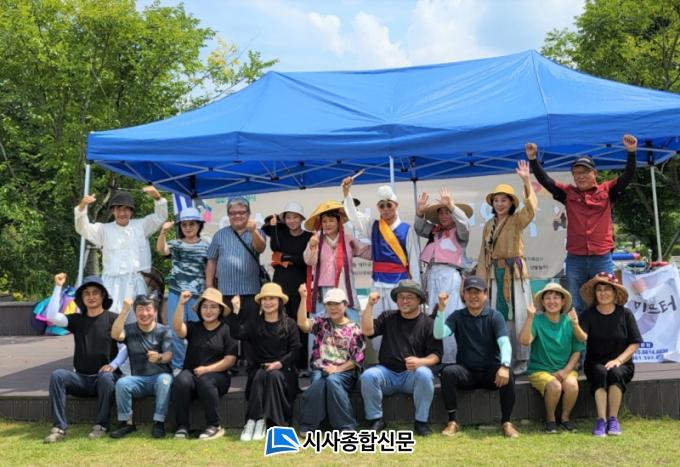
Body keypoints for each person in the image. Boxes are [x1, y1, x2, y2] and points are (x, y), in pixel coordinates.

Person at [525, 135, 638, 313]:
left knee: (606, 301)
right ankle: (580, 332)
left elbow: (627, 177)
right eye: (577, 173)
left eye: (585, 172)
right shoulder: (568, 193)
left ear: (595, 174)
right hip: (575, 258)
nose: (581, 176)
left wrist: (631, 153)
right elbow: (546, 181)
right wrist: (533, 159)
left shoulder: (607, 190)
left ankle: (605, 331)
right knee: (575, 304)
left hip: (601, 257)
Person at [43, 273, 128, 443]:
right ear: (81, 298)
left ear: (103, 296)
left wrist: (113, 365)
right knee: (58, 375)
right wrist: (58, 286)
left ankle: (101, 425)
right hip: (81, 379)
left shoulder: (113, 318)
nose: (91, 296)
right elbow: (51, 316)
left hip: (105, 379)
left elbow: (125, 347)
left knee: (106, 377)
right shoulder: (77, 319)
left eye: (95, 292)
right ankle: (59, 427)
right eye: (86, 293)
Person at [434, 276, 520, 438]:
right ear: (464, 295)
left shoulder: (495, 316)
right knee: (448, 372)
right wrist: (441, 310)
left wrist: (505, 366)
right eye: (469, 292)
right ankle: (452, 422)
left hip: (490, 373)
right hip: (466, 373)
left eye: (477, 292)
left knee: (509, 374)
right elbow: (439, 334)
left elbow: (504, 343)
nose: (473, 296)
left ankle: (507, 423)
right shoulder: (457, 316)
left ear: (485, 294)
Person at [342, 179, 421, 353]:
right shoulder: (373, 226)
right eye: (382, 206)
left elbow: (414, 261)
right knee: (377, 322)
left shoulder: (407, 230)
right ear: (378, 208)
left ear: (396, 206)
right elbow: (355, 218)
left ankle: (403, 356)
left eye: (389, 205)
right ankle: (382, 357)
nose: (385, 209)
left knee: (400, 322)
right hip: (377, 283)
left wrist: (416, 290)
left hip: (399, 284)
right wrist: (347, 193)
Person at [359, 280, 442, 437]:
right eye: (401, 297)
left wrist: (420, 362)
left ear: (419, 300)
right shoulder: (388, 317)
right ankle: (376, 419)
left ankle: (421, 422)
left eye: (409, 297)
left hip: (412, 376)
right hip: (387, 373)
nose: (404, 301)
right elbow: (367, 331)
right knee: (368, 376)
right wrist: (370, 305)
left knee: (425, 374)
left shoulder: (429, 323)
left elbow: (436, 355)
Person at [477, 160, 536, 375]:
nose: (500, 204)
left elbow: (531, 209)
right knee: (499, 316)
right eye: (496, 200)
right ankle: (505, 356)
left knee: (519, 315)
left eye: (504, 200)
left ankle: (523, 358)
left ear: (512, 203)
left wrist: (526, 181)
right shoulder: (488, 225)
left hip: (515, 274)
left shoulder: (517, 220)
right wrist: (480, 282)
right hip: (496, 274)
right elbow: (483, 254)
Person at [74, 186, 168, 319]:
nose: (122, 213)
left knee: (138, 319)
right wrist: (82, 206)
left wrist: (157, 198)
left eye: (125, 209)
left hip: (137, 282)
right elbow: (82, 228)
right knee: (111, 319)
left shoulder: (141, 226)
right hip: (111, 284)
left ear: (131, 211)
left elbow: (160, 217)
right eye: (118, 209)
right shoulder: (103, 229)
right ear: (113, 211)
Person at [225, 283, 301, 441]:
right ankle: (255, 421)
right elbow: (237, 333)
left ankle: (277, 424)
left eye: (272, 298)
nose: (268, 302)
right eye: (264, 299)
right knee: (260, 375)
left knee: (274, 376)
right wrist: (236, 311)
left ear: (280, 301)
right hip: (259, 370)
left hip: (284, 371)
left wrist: (280, 363)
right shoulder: (255, 323)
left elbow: (296, 351)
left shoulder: (290, 324)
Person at [576, 272, 642, 437]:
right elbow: (582, 338)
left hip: (622, 363)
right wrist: (575, 324)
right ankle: (601, 420)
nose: (603, 293)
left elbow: (635, 343)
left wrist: (618, 360)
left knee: (615, 373)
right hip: (595, 362)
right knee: (600, 372)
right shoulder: (588, 315)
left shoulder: (626, 314)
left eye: (607, 289)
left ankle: (613, 419)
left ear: (615, 293)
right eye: (599, 289)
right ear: (595, 293)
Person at [297, 285, 365, 435]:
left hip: (345, 372)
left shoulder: (354, 328)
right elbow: (303, 324)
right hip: (320, 369)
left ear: (345, 305)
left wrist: (337, 369)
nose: (333, 308)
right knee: (320, 381)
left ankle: (345, 426)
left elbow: (357, 358)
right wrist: (303, 298)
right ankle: (310, 426)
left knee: (331, 381)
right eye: (329, 304)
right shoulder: (322, 323)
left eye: (337, 304)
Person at [415, 187, 472, 364]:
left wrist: (452, 206)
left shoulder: (460, 232)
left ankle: (452, 359)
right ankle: (437, 356)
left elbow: (465, 225)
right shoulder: (435, 231)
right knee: (434, 314)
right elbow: (419, 228)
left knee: (450, 313)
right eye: (441, 212)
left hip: (450, 275)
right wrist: (419, 213)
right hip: (433, 275)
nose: (444, 215)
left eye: (447, 212)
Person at [171, 289, 238, 440]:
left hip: (218, 377)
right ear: (200, 310)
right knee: (180, 380)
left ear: (220, 310)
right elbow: (177, 328)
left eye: (213, 307)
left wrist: (207, 369)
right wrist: (181, 304)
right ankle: (182, 426)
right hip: (192, 373)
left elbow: (230, 360)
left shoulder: (227, 329)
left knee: (205, 380)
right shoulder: (194, 327)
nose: (208, 311)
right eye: (205, 307)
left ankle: (214, 425)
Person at [206, 197, 266, 364]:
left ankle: (251, 363)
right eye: (233, 213)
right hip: (225, 292)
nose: (237, 216)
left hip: (250, 291)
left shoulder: (257, 231)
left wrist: (253, 231)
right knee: (226, 329)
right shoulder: (220, 235)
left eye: (241, 212)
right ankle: (228, 364)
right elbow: (211, 260)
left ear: (248, 213)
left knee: (251, 329)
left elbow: (260, 248)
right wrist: (209, 286)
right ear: (228, 215)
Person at [519, 283, 585, 433]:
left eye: (556, 298)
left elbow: (577, 350)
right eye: (547, 298)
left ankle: (565, 418)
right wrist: (530, 318)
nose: (552, 301)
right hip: (540, 370)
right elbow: (524, 341)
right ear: (542, 302)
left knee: (572, 385)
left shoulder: (569, 321)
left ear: (563, 302)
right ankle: (550, 419)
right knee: (555, 386)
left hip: (565, 369)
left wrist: (565, 371)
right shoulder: (537, 320)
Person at [109, 295, 173, 439]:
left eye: (148, 309)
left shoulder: (163, 330)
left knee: (165, 380)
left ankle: (159, 423)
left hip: (158, 377)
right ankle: (126, 423)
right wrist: (124, 311)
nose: (144, 313)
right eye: (140, 309)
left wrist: (159, 357)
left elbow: (169, 354)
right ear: (135, 311)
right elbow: (115, 335)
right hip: (137, 379)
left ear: (155, 311)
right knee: (122, 383)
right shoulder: (129, 329)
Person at [157, 207, 210, 373]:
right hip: (175, 293)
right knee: (175, 329)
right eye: (184, 224)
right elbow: (161, 250)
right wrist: (163, 232)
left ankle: (198, 364)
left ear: (199, 225)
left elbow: (210, 270)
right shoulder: (176, 244)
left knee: (198, 330)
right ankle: (178, 366)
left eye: (191, 224)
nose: (188, 227)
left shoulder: (206, 246)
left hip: (197, 295)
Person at [263, 202, 313, 371]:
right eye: (288, 217)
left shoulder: (309, 236)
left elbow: (305, 260)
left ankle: (302, 364)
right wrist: (274, 227)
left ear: (301, 219)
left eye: (295, 217)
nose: (292, 221)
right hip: (281, 285)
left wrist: (286, 257)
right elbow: (275, 248)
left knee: (301, 324)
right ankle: (285, 363)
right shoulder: (281, 233)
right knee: (282, 323)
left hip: (301, 286)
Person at [303, 201, 365, 325]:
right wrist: (312, 246)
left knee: (351, 324)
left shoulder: (348, 239)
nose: (327, 224)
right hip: (323, 290)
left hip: (345, 288)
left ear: (339, 222)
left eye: (331, 220)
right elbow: (308, 261)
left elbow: (366, 251)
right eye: (324, 221)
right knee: (321, 326)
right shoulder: (315, 239)